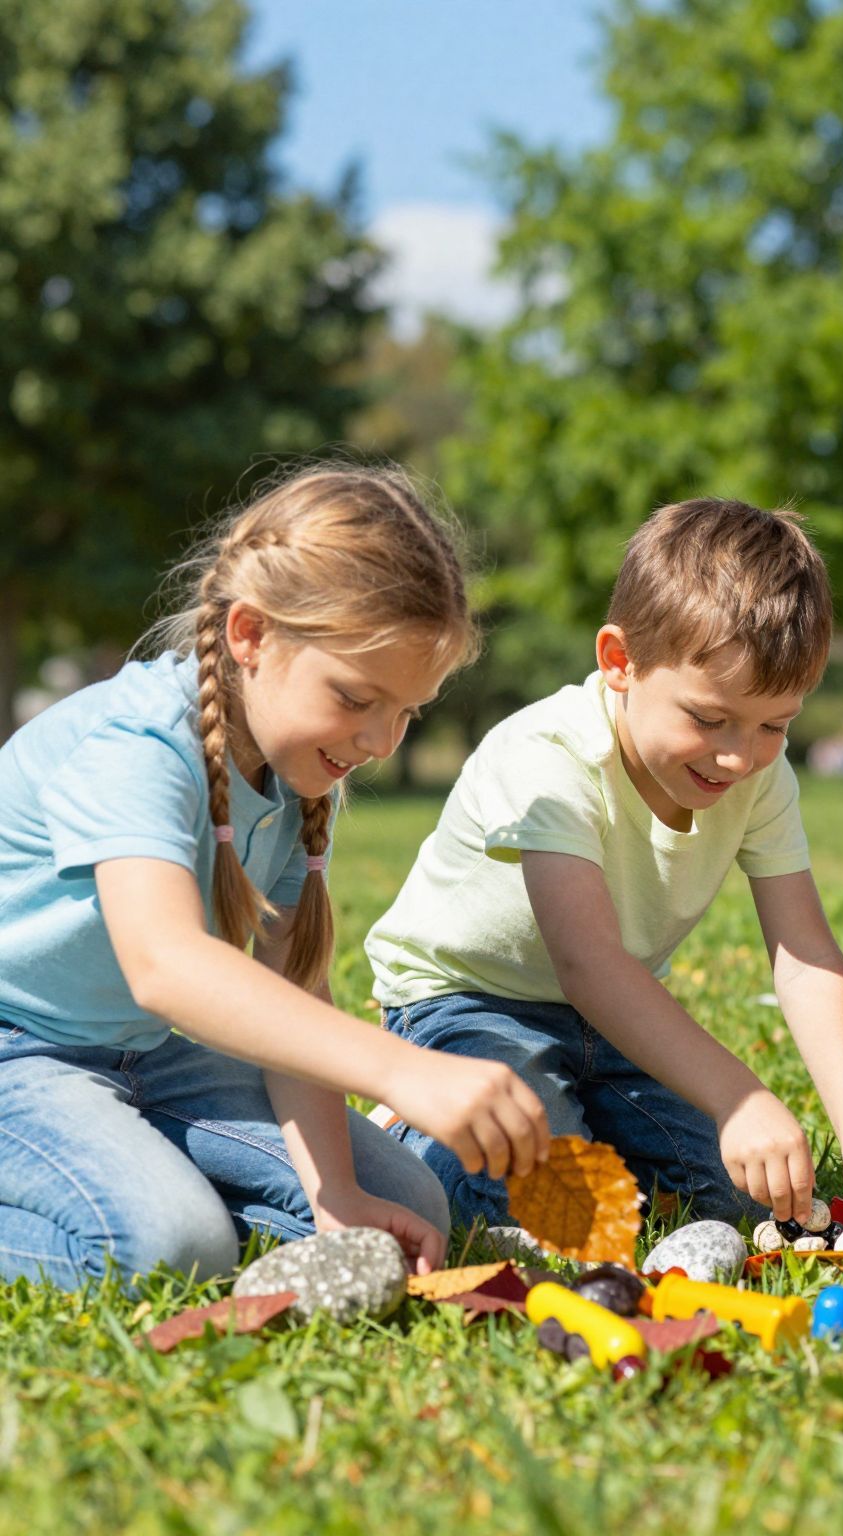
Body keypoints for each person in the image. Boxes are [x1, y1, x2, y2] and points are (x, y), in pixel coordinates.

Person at [0, 463, 550, 1287]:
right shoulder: (136, 747)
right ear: (250, 636)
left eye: (408, 710)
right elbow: (167, 966)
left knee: (406, 1206)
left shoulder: (288, 770)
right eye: (358, 697)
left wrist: (334, 1200)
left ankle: (143, 1191)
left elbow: (292, 991)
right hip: (19, 1052)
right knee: (168, 1248)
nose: (381, 742)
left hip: (139, 1060)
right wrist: (401, 1068)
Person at [367, 499, 843, 1231]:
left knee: (745, 1198)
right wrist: (738, 1095)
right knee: (543, 1211)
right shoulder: (548, 758)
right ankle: (417, 1120)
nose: (739, 755)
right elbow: (590, 964)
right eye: (707, 718)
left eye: (774, 725)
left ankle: (563, 1118)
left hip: (613, 1020)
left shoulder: (760, 773)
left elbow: (805, 955)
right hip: (467, 1004)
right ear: (619, 662)